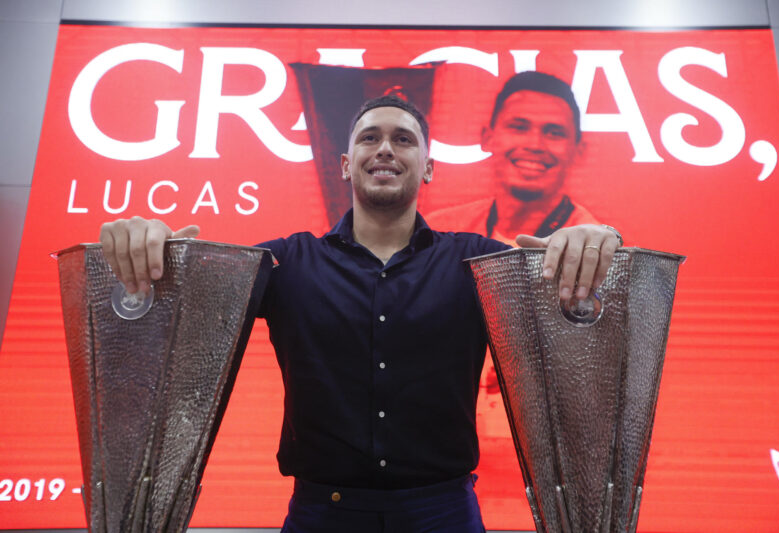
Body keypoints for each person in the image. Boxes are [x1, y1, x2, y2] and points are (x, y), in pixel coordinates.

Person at [99, 95, 621, 532]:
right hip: (320, 514)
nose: (386, 149)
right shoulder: (287, 261)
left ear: (429, 167)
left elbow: (579, 308)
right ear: (347, 164)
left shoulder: (479, 260)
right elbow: (177, 310)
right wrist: (149, 249)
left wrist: (602, 242)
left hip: (444, 513)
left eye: (404, 139)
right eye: (369, 138)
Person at [426, 71, 602, 246]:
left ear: (579, 151)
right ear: (488, 138)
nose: (534, 145)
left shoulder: (595, 248)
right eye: (519, 127)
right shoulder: (439, 232)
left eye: (554, 133)